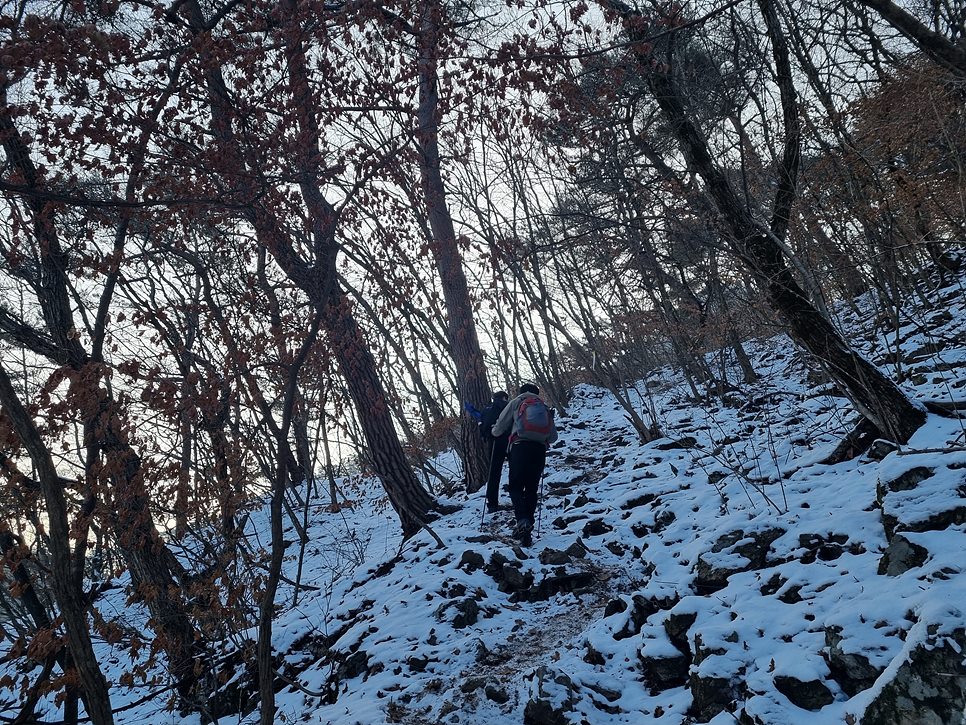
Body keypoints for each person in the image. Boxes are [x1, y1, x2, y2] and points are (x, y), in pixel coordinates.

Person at [491, 383, 558, 544]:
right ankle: (528, 526)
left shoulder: (517, 402)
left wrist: (493, 432)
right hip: (539, 450)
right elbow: (553, 437)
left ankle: (522, 520)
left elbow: (500, 425)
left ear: (521, 392)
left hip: (520, 448)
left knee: (515, 487)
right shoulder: (543, 406)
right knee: (531, 489)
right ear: (537, 393)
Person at [479, 391, 510, 513]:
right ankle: (518, 496)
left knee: (493, 473)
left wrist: (487, 436)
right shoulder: (507, 406)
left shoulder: (486, 409)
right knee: (515, 468)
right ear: (504, 397)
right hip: (507, 440)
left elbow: (481, 426)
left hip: (492, 442)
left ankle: (492, 504)